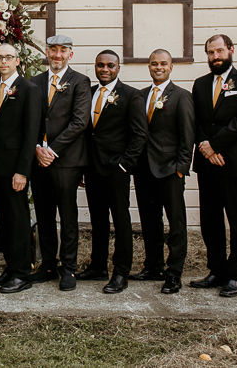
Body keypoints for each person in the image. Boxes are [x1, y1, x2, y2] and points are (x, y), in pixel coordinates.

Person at [189, 35, 237, 297]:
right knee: (210, 219)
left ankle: (234, 274)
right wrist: (205, 146)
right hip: (207, 163)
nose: (215, 56)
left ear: (231, 50)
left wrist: (215, 145)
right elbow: (196, 121)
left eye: (219, 51)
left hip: (234, 161)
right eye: (210, 52)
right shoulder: (200, 84)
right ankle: (216, 270)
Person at [78, 50, 147, 294]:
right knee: (97, 220)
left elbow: (140, 134)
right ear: (95, 68)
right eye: (100, 65)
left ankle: (121, 272)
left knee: (121, 221)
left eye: (110, 65)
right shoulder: (90, 93)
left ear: (118, 68)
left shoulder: (131, 95)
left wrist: (124, 164)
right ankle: (98, 266)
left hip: (117, 169)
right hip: (93, 169)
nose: (104, 69)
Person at [30, 35, 91, 291]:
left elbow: (79, 122)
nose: (57, 55)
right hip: (38, 161)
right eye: (53, 50)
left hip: (66, 161)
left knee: (67, 216)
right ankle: (47, 265)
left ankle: (69, 269)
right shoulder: (35, 82)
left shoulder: (79, 81)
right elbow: (30, 120)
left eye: (63, 51)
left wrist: (51, 150)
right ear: (47, 52)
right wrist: (36, 148)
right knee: (44, 215)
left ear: (70, 55)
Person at [132, 49, 194, 294]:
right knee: (150, 221)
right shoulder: (140, 96)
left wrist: (181, 168)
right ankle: (153, 266)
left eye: (163, 63)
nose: (158, 67)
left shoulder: (181, 96)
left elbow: (188, 135)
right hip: (143, 169)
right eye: (154, 63)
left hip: (170, 170)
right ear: (148, 66)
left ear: (171, 67)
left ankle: (174, 272)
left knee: (176, 223)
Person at [0, 44, 41, 294]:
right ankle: (10, 267)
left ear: (17, 61)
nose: (4, 61)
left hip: (16, 169)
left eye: (9, 57)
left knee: (18, 220)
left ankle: (22, 273)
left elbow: (31, 135)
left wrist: (23, 171)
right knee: (4, 220)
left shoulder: (29, 89)